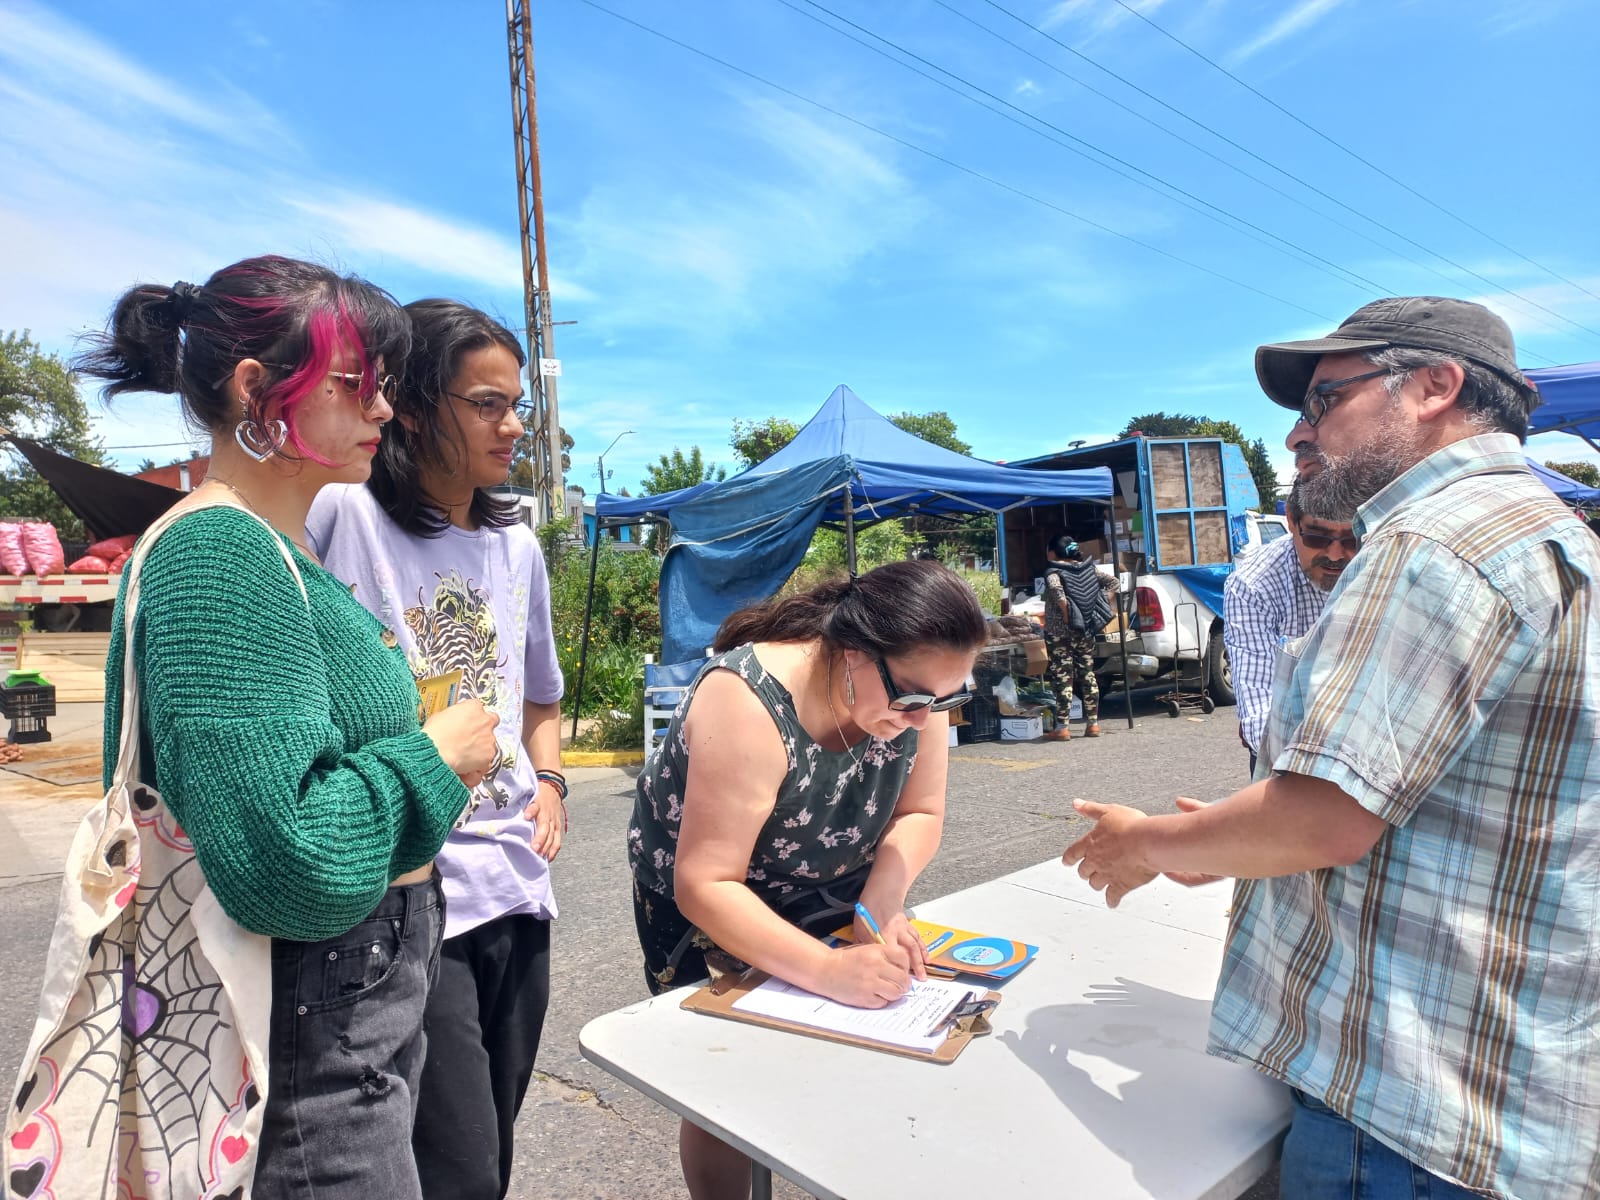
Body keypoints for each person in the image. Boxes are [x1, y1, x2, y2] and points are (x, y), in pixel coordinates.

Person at [1063, 296, 1600, 1197]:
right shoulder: (1551, 533)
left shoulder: (1430, 541)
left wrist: (1141, 843)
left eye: (1323, 400)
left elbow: (1324, 818)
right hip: (1497, 1077)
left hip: (1408, 1101)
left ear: (1435, 386)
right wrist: (1238, 840)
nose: (1302, 432)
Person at [71, 258, 498, 1197]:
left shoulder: (277, 548)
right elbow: (289, 865)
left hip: (339, 1004)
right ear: (256, 389)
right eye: (356, 384)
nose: (382, 410)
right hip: (308, 1017)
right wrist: (436, 757)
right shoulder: (221, 554)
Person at [306, 299, 565, 1200]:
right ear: (413, 406)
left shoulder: (516, 542)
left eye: (517, 404)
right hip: (409, 889)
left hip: (518, 886)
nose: (515, 426)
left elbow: (538, 692)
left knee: (491, 1146)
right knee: (454, 1162)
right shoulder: (343, 514)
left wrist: (556, 779)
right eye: (488, 403)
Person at [628, 560, 986, 1200]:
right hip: (714, 901)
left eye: (948, 699)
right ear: (854, 653)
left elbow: (921, 812)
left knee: (854, 1050)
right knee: (725, 1079)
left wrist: (879, 907)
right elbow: (706, 882)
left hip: (837, 877)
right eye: (910, 698)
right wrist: (825, 971)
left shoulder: (915, 701)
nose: (923, 721)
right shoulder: (746, 700)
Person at [1221, 479, 1358, 772]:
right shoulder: (1253, 585)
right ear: (1292, 522)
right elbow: (1260, 714)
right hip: (1287, 756)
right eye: (1318, 537)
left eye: (1351, 539)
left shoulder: (1385, 563)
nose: (1335, 554)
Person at [1038, 534, 1116, 740]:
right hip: (1086, 631)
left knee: (1063, 677)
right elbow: (1114, 583)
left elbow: (1055, 588)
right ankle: (1093, 724)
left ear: (1054, 552)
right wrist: (1100, 603)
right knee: (1087, 674)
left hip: (1060, 633)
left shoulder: (1054, 571)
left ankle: (1062, 727)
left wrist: (1066, 611)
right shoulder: (1089, 568)